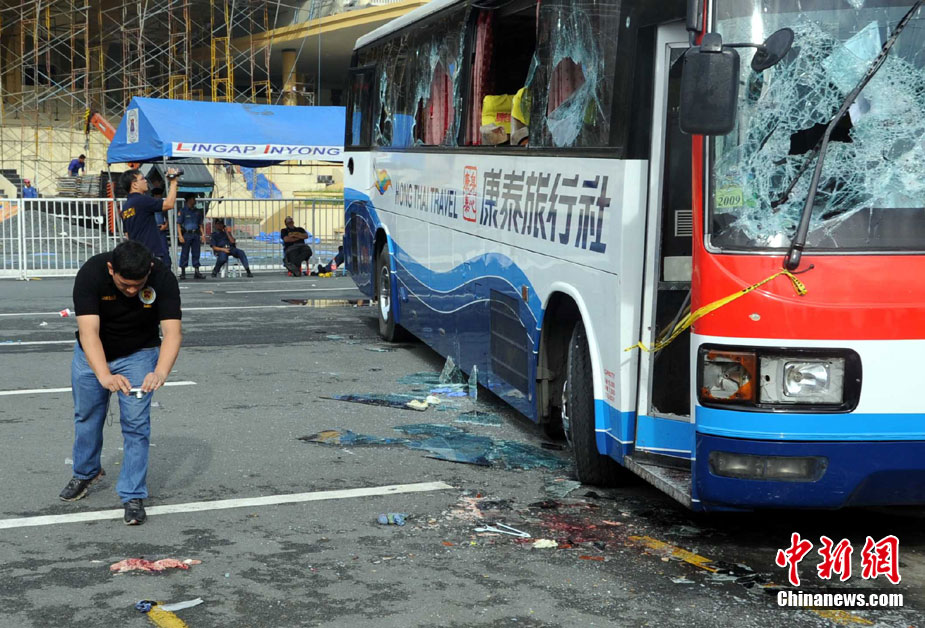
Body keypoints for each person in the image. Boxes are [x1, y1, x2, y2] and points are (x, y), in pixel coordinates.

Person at [60, 240, 182, 526]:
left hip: (139, 353)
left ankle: (133, 494)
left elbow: (172, 333)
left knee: (136, 425)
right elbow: (88, 332)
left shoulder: (163, 278)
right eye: (124, 285)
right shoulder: (91, 273)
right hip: (93, 354)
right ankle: (86, 472)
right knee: (87, 416)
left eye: (138, 285)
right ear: (111, 269)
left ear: (149, 269)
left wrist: (160, 372)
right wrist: (104, 375)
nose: (131, 291)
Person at [119, 168, 179, 268]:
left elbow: (127, 234)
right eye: (142, 179)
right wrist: (173, 182)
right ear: (134, 185)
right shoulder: (142, 200)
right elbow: (169, 204)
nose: (146, 181)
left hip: (137, 254)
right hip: (150, 254)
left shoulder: (126, 207)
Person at [177, 194, 205, 280]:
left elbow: (200, 224)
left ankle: (197, 271)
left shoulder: (197, 211)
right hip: (187, 234)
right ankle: (183, 272)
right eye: (193, 199)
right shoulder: (183, 211)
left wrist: (203, 234)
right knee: (184, 253)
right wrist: (180, 236)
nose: (195, 200)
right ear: (189, 200)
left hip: (196, 234)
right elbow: (178, 224)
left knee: (196, 253)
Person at [151, 187, 171, 269]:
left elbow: (168, 217)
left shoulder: (163, 205)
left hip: (161, 229)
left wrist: (166, 225)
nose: (159, 197)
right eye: (158, 196)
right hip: (152, 230)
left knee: (164, 250)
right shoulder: (150, 204)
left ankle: (167, 268)